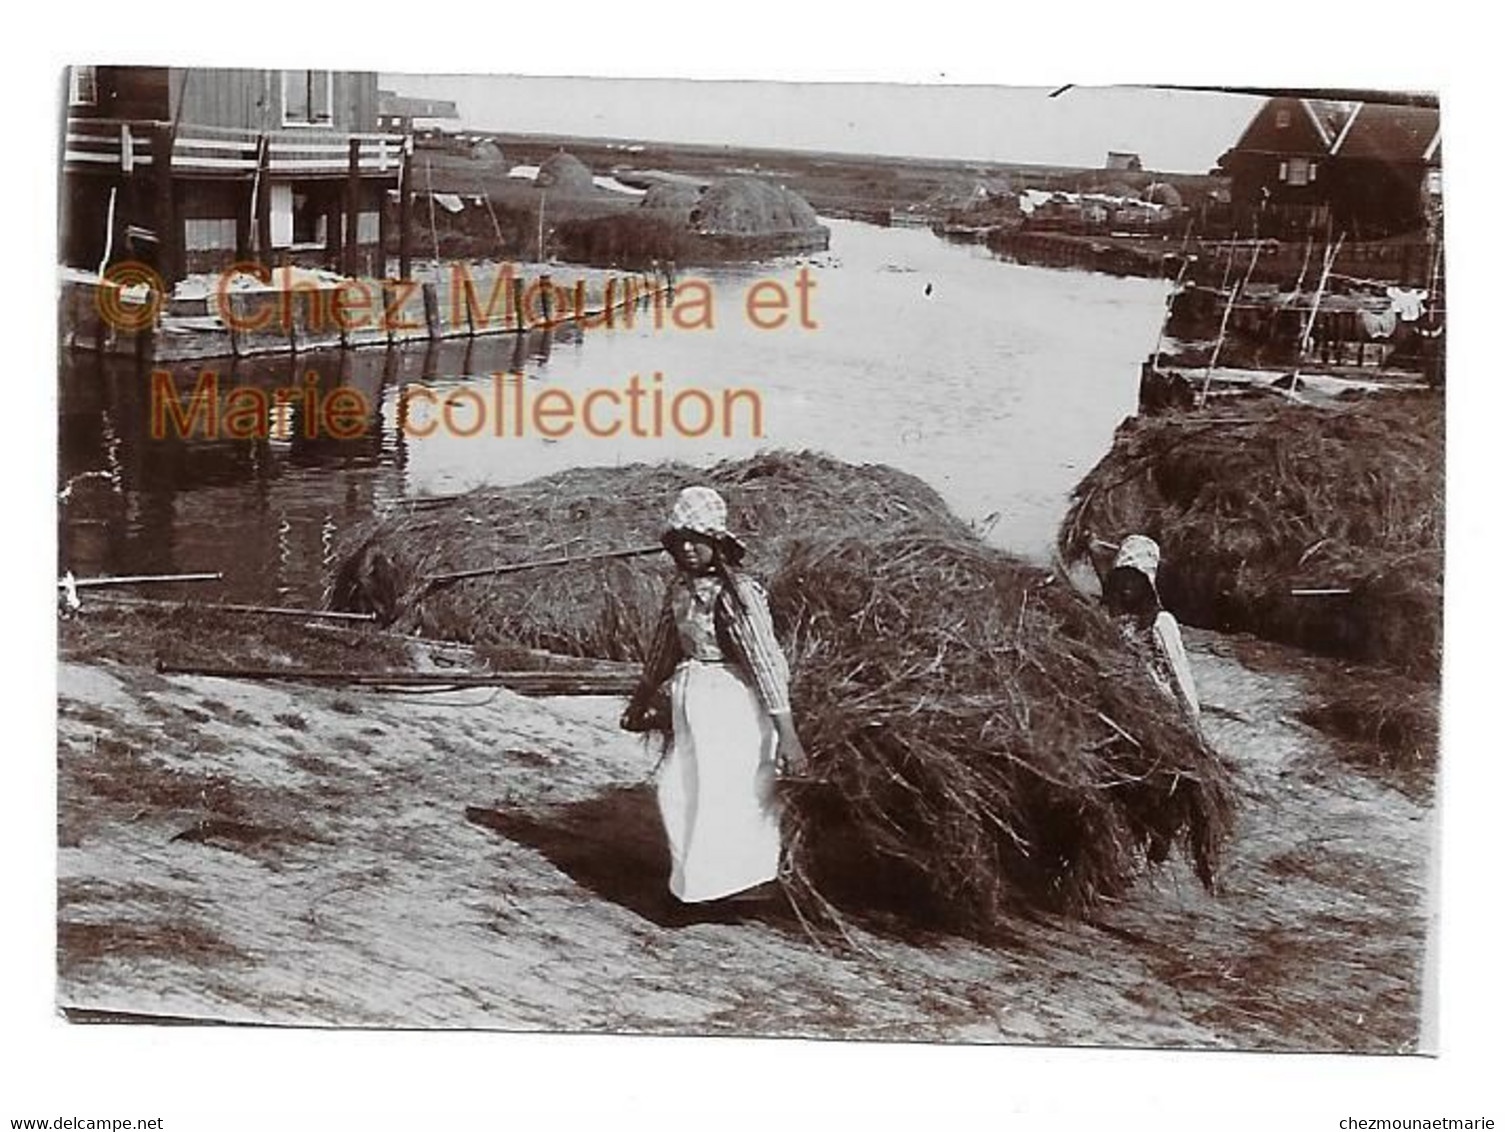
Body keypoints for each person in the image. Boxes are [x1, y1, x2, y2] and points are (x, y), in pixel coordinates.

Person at [620, 486, 808, 909]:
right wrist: (641, 699)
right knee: (681, 788)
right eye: (680, 540)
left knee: (728, 791)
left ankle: (735, 885)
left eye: (698, 540)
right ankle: (698, 885)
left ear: (717, 543)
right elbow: (663, 648)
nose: (688, 549)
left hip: (732, 702)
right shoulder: (680, 590)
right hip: (693, 698)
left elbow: (764, 660)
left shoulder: (738, 593)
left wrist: (788, 735)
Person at [1102, 535, 1201, 728]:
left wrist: (1192, 721)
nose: (1126, 588)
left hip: (1166, 711)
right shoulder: (1121, 623)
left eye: (1134, 580)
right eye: (1123, 580)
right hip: (1136, 708)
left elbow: (1179, 672)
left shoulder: (1162, 622)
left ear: (1145, 583)